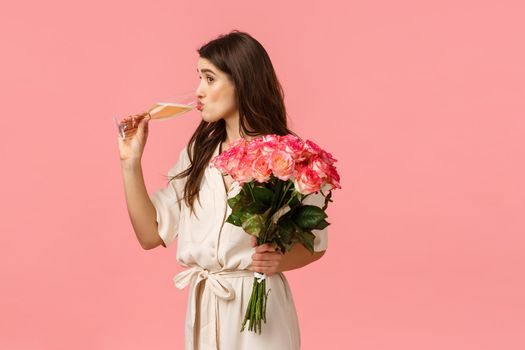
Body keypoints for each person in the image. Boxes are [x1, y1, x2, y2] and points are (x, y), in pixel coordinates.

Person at [117, 30, 328, 350]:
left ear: (241, 82)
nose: (199, 91)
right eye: (199, 77)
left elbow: (316, 243)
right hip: (205, 309)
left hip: (260, 315)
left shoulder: (287, 156)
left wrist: (280, 262)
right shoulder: (198, 152)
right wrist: (130, 163)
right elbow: (150, 234)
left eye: (210, 78)